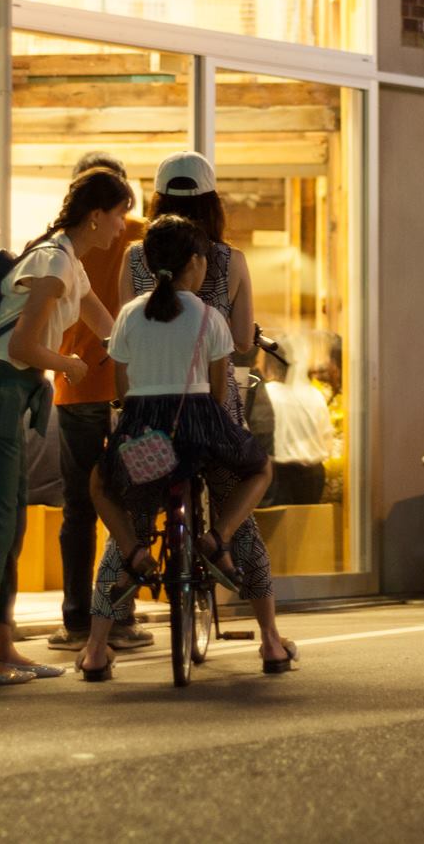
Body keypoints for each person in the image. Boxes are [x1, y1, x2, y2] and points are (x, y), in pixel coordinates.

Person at [78, 216, 291, 679]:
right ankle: (221, 538)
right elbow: (218, 392)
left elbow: (122, 387)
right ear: (195, 263)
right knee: (260, 470)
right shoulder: (209, 317)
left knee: (101, 485)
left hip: (148, 439)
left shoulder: (130, 315)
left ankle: (127, 572)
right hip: (201, 436)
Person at [0, 167, 131, 687]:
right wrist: (69, 364)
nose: (122, 226)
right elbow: (22, 347)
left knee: (12, 523)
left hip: (12, 395)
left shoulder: (71, 263)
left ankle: (0, 644)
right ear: (95, 216)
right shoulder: (51, 263)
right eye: (118, 214)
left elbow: (110, 330)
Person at [120, 152, 288, 658]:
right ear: (213, 202)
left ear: (157, 202)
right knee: (240, 504)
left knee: (132, 513)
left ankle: (101, 639)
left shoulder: (134, 258)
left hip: (148, 411)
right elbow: (239, 342)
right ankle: (271, 640)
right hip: (212, 409)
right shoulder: (228, 259)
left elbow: (120, 336)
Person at [46, 153, 151, 654]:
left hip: (76, 388)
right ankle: (121, 614)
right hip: (129, 386)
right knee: (124, 502)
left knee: (79, 507)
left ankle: (75, 619)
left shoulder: (64, 245)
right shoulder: (145, 234)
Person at [264, 337, 337, 505]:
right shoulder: (315, 395)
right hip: (314, 475)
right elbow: (328, 442)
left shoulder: (268, 393)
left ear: (272, 364)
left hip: (279, 474)